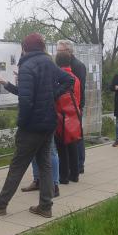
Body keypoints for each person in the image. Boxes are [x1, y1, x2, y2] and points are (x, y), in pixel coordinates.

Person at [0, 33, 74, 219]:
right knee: (44, 165)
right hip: (48, 123)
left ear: (25, 48)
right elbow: (69, 80)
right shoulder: (48, 62)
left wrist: (22, 125)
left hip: (32, 126)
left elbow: (27, 101)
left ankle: (0, 205)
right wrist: (51, 95)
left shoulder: (27, 65)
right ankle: (45, 206)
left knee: (17, 166)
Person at [0, 73, 60, 197]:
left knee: (50, 152)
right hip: (34, 121)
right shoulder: (34, 73)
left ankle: (54, 185)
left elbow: (66, 82)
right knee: (38, 156)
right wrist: (7, 84)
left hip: (44, 120)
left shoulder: (47, 71)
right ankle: (38, 182)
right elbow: (22, 93)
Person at [58, 40, 87, 173]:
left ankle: (79, 164)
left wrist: (78, 107)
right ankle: (72, 166)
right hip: (66, 107)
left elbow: (79, 89)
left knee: (76, 135)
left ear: (68, 51)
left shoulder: (78, 66)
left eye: (60, 51)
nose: (57, 53)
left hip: (74, 107)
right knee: (68, 136)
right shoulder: (63, 65)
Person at [54, 50, 82, 184]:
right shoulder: (76, 78)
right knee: (72, 144)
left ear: (57, 62)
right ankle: (75, 174)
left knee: (61, 146)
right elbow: (79, 96)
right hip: (74, 114)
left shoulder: (58, 78)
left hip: (61, 115)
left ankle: (64, 176)